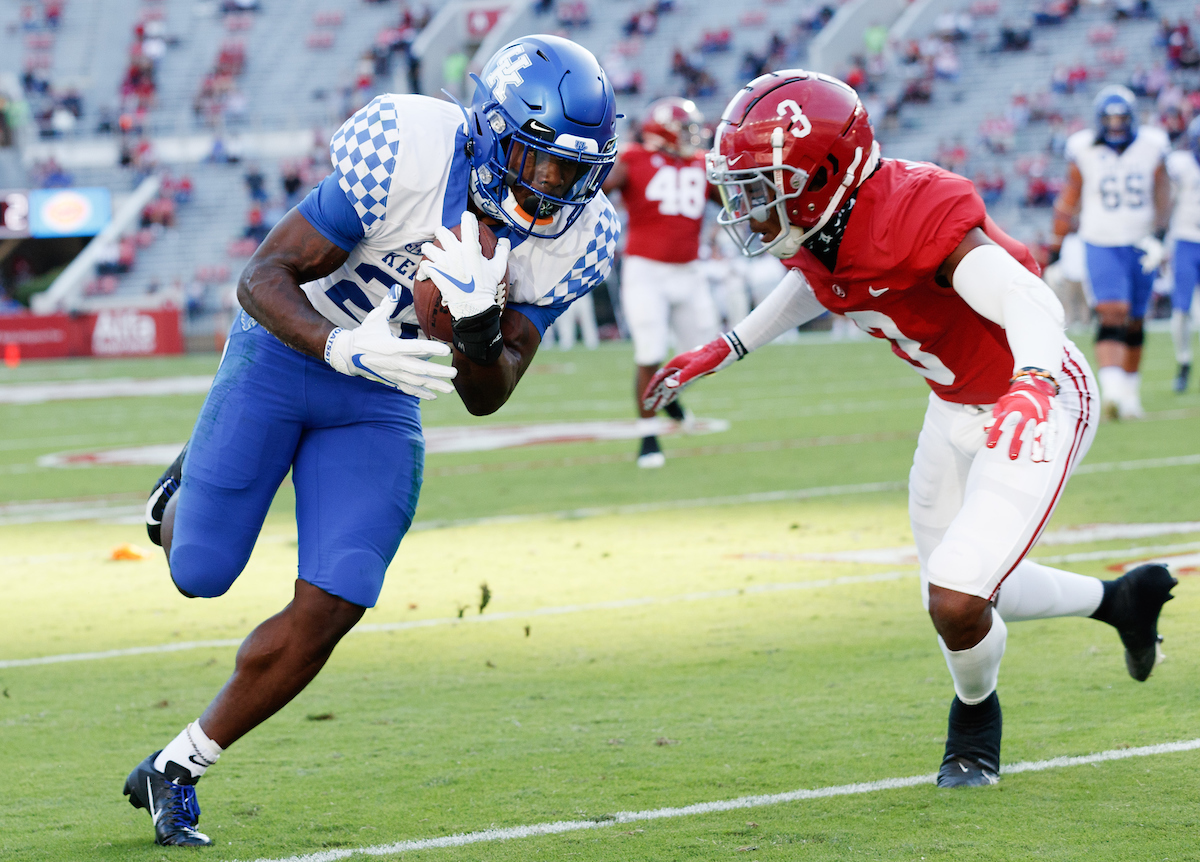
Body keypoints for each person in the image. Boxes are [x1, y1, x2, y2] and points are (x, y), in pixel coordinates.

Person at [124, 34, 620, 846]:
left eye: (574, 170)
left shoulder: (582, 233)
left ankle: (178, 766)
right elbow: (262, 277)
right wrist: (337, 344)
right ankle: (176, 494)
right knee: (201, 572)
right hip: (287, 352)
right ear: (492, 133)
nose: (555, 186)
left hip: (384, 395)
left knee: (342, 593)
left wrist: (479, 328)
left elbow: (486, 394)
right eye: (539, 161)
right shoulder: (411, 145)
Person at [644, 70, 1177, 788]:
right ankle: (1121, 601)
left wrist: (1032, 383)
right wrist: (729, 345)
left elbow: (1030, 300)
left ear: (824, 175)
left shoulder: (913, 210)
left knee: (957, 595)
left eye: (763, 184)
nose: (748, 204)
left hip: (1035, 398)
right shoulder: (824, 222)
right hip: (952, 406)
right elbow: (819, 278)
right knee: (969, 590)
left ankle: (974, 724)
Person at [602, 97, 717, 467]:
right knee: (649, 353)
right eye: (685, 128)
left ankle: (668, 396)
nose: (692, 136)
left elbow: (733, 199)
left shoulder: (700, 164)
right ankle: (647, 436)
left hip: (690, 272)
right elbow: (602, 187)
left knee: (701, 356)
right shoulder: (634, 158)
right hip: (646, 271)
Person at [1048, 85, 1171, 420]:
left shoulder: (1152, 146)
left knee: (1135, 319)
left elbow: (1163, 192)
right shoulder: (1083, 148)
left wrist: (1160, 235)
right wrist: (1056, 247)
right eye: (1110, 119)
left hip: (1141, 242)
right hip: (1100, 241)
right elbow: (1068, 198)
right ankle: (1112, 392)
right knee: (1112, 311)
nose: (1116, 126)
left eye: (1121, 119)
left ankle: (1130, 394)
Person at [1165, 115, 1200, 392]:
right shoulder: (1181, 166)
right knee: (1181, 310)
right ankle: (1184, 361)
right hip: (1187, 241)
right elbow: (1167, 201)